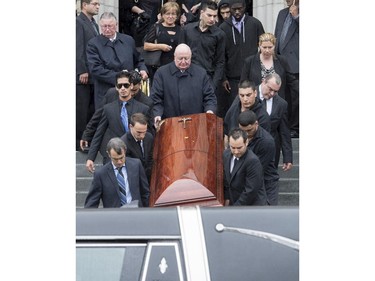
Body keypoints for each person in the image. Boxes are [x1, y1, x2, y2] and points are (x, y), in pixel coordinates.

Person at [85, 71, 151, 170]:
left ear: (131, 86)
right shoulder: (108, 109)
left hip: (135, 156)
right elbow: (99, 133)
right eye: (120, 86)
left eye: (126, 85)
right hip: (113, 155)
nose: (123, 88)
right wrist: (90, 158)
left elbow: (148, 134)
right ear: (116, 87)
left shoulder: (143, 108)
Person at [240, 32, 299, 137]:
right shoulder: (250, 61)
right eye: (264, 47)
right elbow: (244, 83)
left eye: (270, 47)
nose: (267, 50)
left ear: (274, 46)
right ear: (259, 45)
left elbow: (291, 81)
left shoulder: (282, 61)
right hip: (256, 103)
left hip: (277, 104)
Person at [86, 12, 148, 110]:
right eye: (103, 26)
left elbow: (138, 60)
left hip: (129, 92)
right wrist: (121, 77)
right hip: (106, 92)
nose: (106, 29)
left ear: (116, 25)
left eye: (110, 26)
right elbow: (95, 69)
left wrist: (143, 69)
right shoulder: (93, 44)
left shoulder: (128, 40)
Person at [150, 43, 217, 128]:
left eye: (186, 58)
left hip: (196, 125)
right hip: (170, 125)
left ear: (191, 57)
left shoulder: (201, 73)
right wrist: (157, 114)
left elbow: (210, 97)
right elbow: (156, 99)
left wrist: (209, 111)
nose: (183, 62)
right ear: (174, 57)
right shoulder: (161, 73)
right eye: (180, 59)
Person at [218, 0, 265, 115]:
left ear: (245, 7)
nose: (237, 12)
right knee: (234, 110)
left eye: (240, 9)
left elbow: (264, 47)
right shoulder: (223, 27)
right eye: (234, 9)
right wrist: (223, 77)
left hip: (253, 75)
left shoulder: (255, 23)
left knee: (256, 108)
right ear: (230, 9)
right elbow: (220, 55)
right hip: (232, 78)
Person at [84, 137, 150, 208]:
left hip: (135, 213)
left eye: (121, 158)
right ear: (109, 154)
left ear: (125, 151)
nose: (119, 162)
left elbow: (145, 192)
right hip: (114, 216)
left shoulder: (136, 165)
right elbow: (92, 202)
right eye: (115, 159)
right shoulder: (101, 174)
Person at [179, 1, 225, 89]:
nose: (212, 19)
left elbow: (220, 61)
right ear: (201, 13)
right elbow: (179, 54)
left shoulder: (219, 34)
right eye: (209, 15)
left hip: (207, 78)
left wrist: (214, 85)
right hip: (186, 75)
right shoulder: (187, 30)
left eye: (214, 16)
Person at [238, 110, 280, 205]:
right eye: (243, 131)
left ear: (256, 124)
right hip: (247, 180)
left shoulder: (267, 141)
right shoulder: (239, 136)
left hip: (266, 183)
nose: (246, 134)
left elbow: (258, 169)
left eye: (249, 130)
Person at [76, 0, 100, 151]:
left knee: (91, 111)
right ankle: (78, 143)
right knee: (81, 112)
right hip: (83, 76)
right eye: (95, 3)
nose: (98, 6)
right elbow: (78, 47)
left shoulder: (95, 24)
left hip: (94, 76)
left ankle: (87, 141)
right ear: (84, 5)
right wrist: (81, 70)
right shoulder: (78, 22)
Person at [274, 0, 299, 137]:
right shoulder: (282, 13)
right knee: (284, 96)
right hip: (281, 61)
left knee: (296, 98)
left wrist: (296, 17)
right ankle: (285, 126)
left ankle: (295, 127)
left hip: (296, 64)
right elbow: (277, 34)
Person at [223, 128, 266, 206]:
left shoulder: (252, 161)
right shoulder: (226, 155)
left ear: (246, 142)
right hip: (234, 202)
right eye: (233, 147)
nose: (236, 151)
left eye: (239, 148)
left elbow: (251, 190)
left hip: (251, 207)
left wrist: (235, 208)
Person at [258, 73, 293, 171]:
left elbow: (284, 131)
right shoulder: (248, 95)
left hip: (272, 151)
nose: (272, 93)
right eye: (270, 89)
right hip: (251, 148)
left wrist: (288, 157)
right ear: (263, 82)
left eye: (276, 91)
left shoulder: (282, 104)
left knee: (270, 181)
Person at [223, 79, 270, 148]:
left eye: (248, 95)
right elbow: (226, 134)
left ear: (255, 93)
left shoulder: (263, 116)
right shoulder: (233, 109)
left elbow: (263, 142)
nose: (245, 99)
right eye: (242, 95)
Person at [143, 2, 182, 82]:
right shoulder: (157, 27)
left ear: (177, 16)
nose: (170, 16)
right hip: (159, 67)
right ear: (162, 15)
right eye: (167, 14)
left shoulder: (181, 30)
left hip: (176, 68)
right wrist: (161, 46)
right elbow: (146, 45)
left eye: (173, 14)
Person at [121, 113, 154, 184]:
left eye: (144, 132)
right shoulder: (124, 143)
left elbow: (150, 158)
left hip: (149, 178)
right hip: (134, 180)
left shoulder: (149, 137)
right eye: (139, 132)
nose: (142, 136)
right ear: (131, 127)